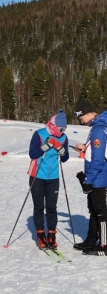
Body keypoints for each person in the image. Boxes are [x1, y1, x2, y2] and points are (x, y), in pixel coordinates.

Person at [28, 109, 69, 249]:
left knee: (52, 207)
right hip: (37, 175)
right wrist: (45, 146)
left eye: (64, 128)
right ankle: (40, 236)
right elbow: (32, 153)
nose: (62, 131)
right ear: (53, 125)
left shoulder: (63, 138)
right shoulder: (39, 134)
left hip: (53, 177)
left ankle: (51, 236)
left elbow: (65, 158)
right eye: (60, 128)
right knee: (39, 207)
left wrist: (61, 150)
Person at [73, 98, 107, 256]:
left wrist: (88, 180)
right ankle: (91, 239)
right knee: (93, 210)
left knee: (101, 212)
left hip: (99, 179)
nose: (81, 121)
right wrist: (84, 148)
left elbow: (99, 160)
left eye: (81, 118)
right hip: (95, 177)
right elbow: (95, 151)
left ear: (88, 113)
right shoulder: (96, 127)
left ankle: (104, 245)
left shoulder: (99, 129)